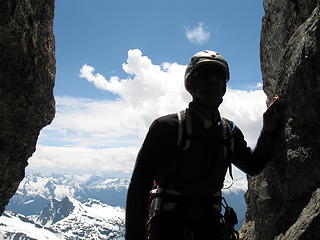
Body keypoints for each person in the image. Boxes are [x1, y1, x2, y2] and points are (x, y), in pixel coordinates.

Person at [125, 50, 281, 240]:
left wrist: (268, 130)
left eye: (219, 75)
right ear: (191, 84)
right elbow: (139, 189)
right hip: (170, 230)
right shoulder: (166, 128)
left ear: (224, 86)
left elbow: (253, 165)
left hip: (209, 229)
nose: (213, 80)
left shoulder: (229, 132)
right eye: (205, 74)